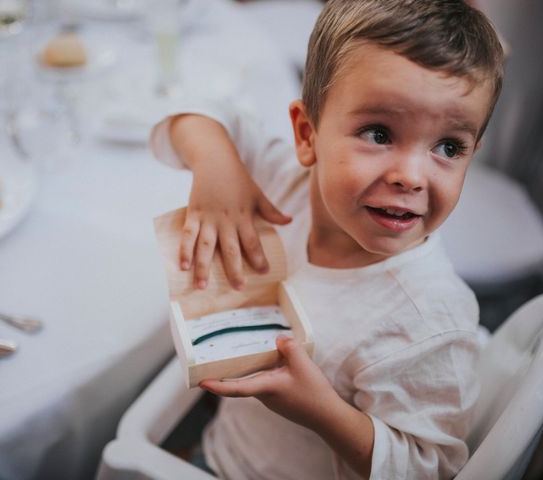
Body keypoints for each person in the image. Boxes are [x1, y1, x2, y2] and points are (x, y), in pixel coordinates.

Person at [150, 0, 504, 478]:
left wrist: (322, 412)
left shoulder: (430, 323)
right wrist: (217, 164)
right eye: (379, 133)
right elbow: (184, 105)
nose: (412, 176)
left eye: (448, 147)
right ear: (307, 134)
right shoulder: (283, 182)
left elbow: (432, 468)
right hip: (222, 452)